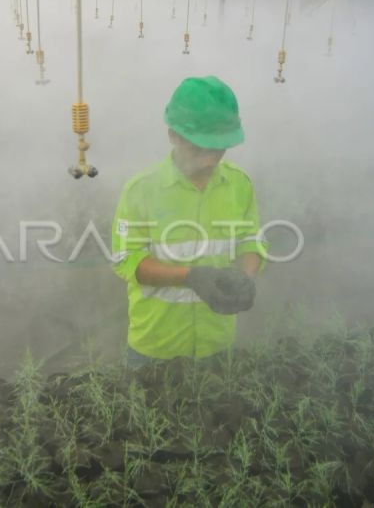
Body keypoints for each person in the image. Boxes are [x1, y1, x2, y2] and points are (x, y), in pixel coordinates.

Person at [111, 76, 268, 368]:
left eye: (219, 148)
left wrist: (247, 276)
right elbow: (126, 260)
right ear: (173, 135)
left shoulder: (239, 184)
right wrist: (189, 277)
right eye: (200, 148)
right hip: (155, 350)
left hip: (218, 345)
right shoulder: (141, 190)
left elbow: (252, 240)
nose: (209, 160)